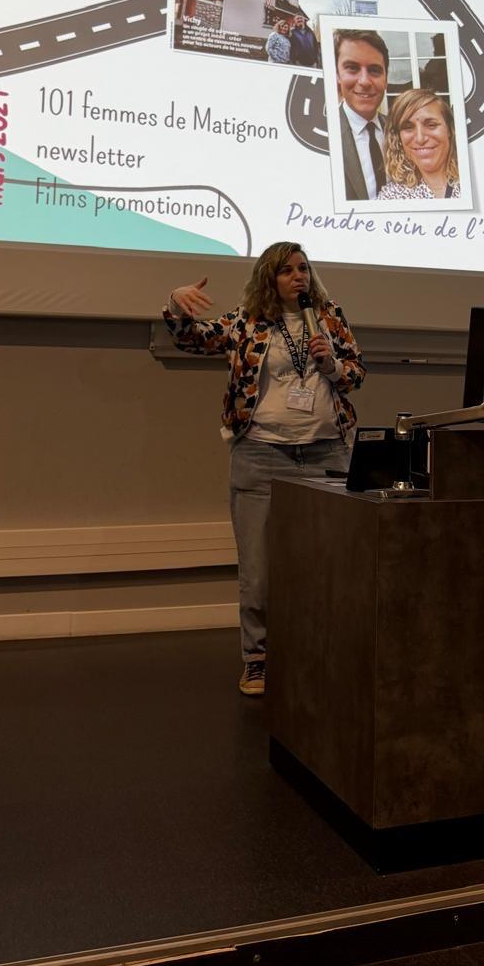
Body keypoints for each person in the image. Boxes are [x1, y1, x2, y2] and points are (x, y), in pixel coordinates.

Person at [164, 244, 365, 696]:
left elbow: (356, 374)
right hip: (262, 455)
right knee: (258, 571)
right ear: (269, 279)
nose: (300, 277)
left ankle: (319, 652)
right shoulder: (247, 321)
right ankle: (257, 659)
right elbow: (196, 338)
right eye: (288, 271)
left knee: (326, 565)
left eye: (304, 269)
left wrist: (332, 364)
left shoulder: (330, 318)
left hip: (327, 454)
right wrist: (175, 306)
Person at [377, 89, 461, 201]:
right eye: (408, 128)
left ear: (450, 130)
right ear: (399, 138)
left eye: (431, 125)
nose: (420, 139)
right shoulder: (391, 198)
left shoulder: (476, 182)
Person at [335, 28, 389, 200]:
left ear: (386, 78)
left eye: (374, 70)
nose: (365, 81)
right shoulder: (322, 135)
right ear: (337, 75)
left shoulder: (401, 132)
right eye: (352, 68)